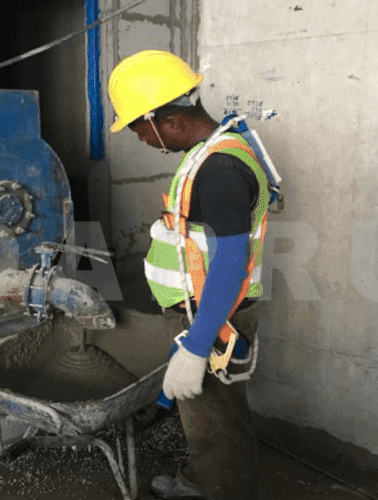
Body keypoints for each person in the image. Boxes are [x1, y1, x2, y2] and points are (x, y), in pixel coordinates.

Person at [107, 50, 269, 500]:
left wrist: (198, 345)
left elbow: (229, 264)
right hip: (205, 311)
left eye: (139, 128)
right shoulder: (212, 151)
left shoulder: (219, 170)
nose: (141, 139)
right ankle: (201, 480)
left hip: (216, 317)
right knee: (210, 419)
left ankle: (222, 489)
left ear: (170, 120)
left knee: (219, 428)